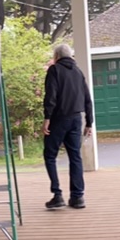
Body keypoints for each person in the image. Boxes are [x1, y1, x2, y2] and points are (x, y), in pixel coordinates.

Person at [39, 46, 90, 209]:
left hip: (59, 118)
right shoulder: (78, 72)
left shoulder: (54, 70)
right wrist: (89, 122)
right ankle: (77, 197)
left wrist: (47, 117)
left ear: (56, 56)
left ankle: (57, 194)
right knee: (75, 156)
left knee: (50, 155)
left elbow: (51, 95)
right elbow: (87, 98)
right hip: (76, 119)